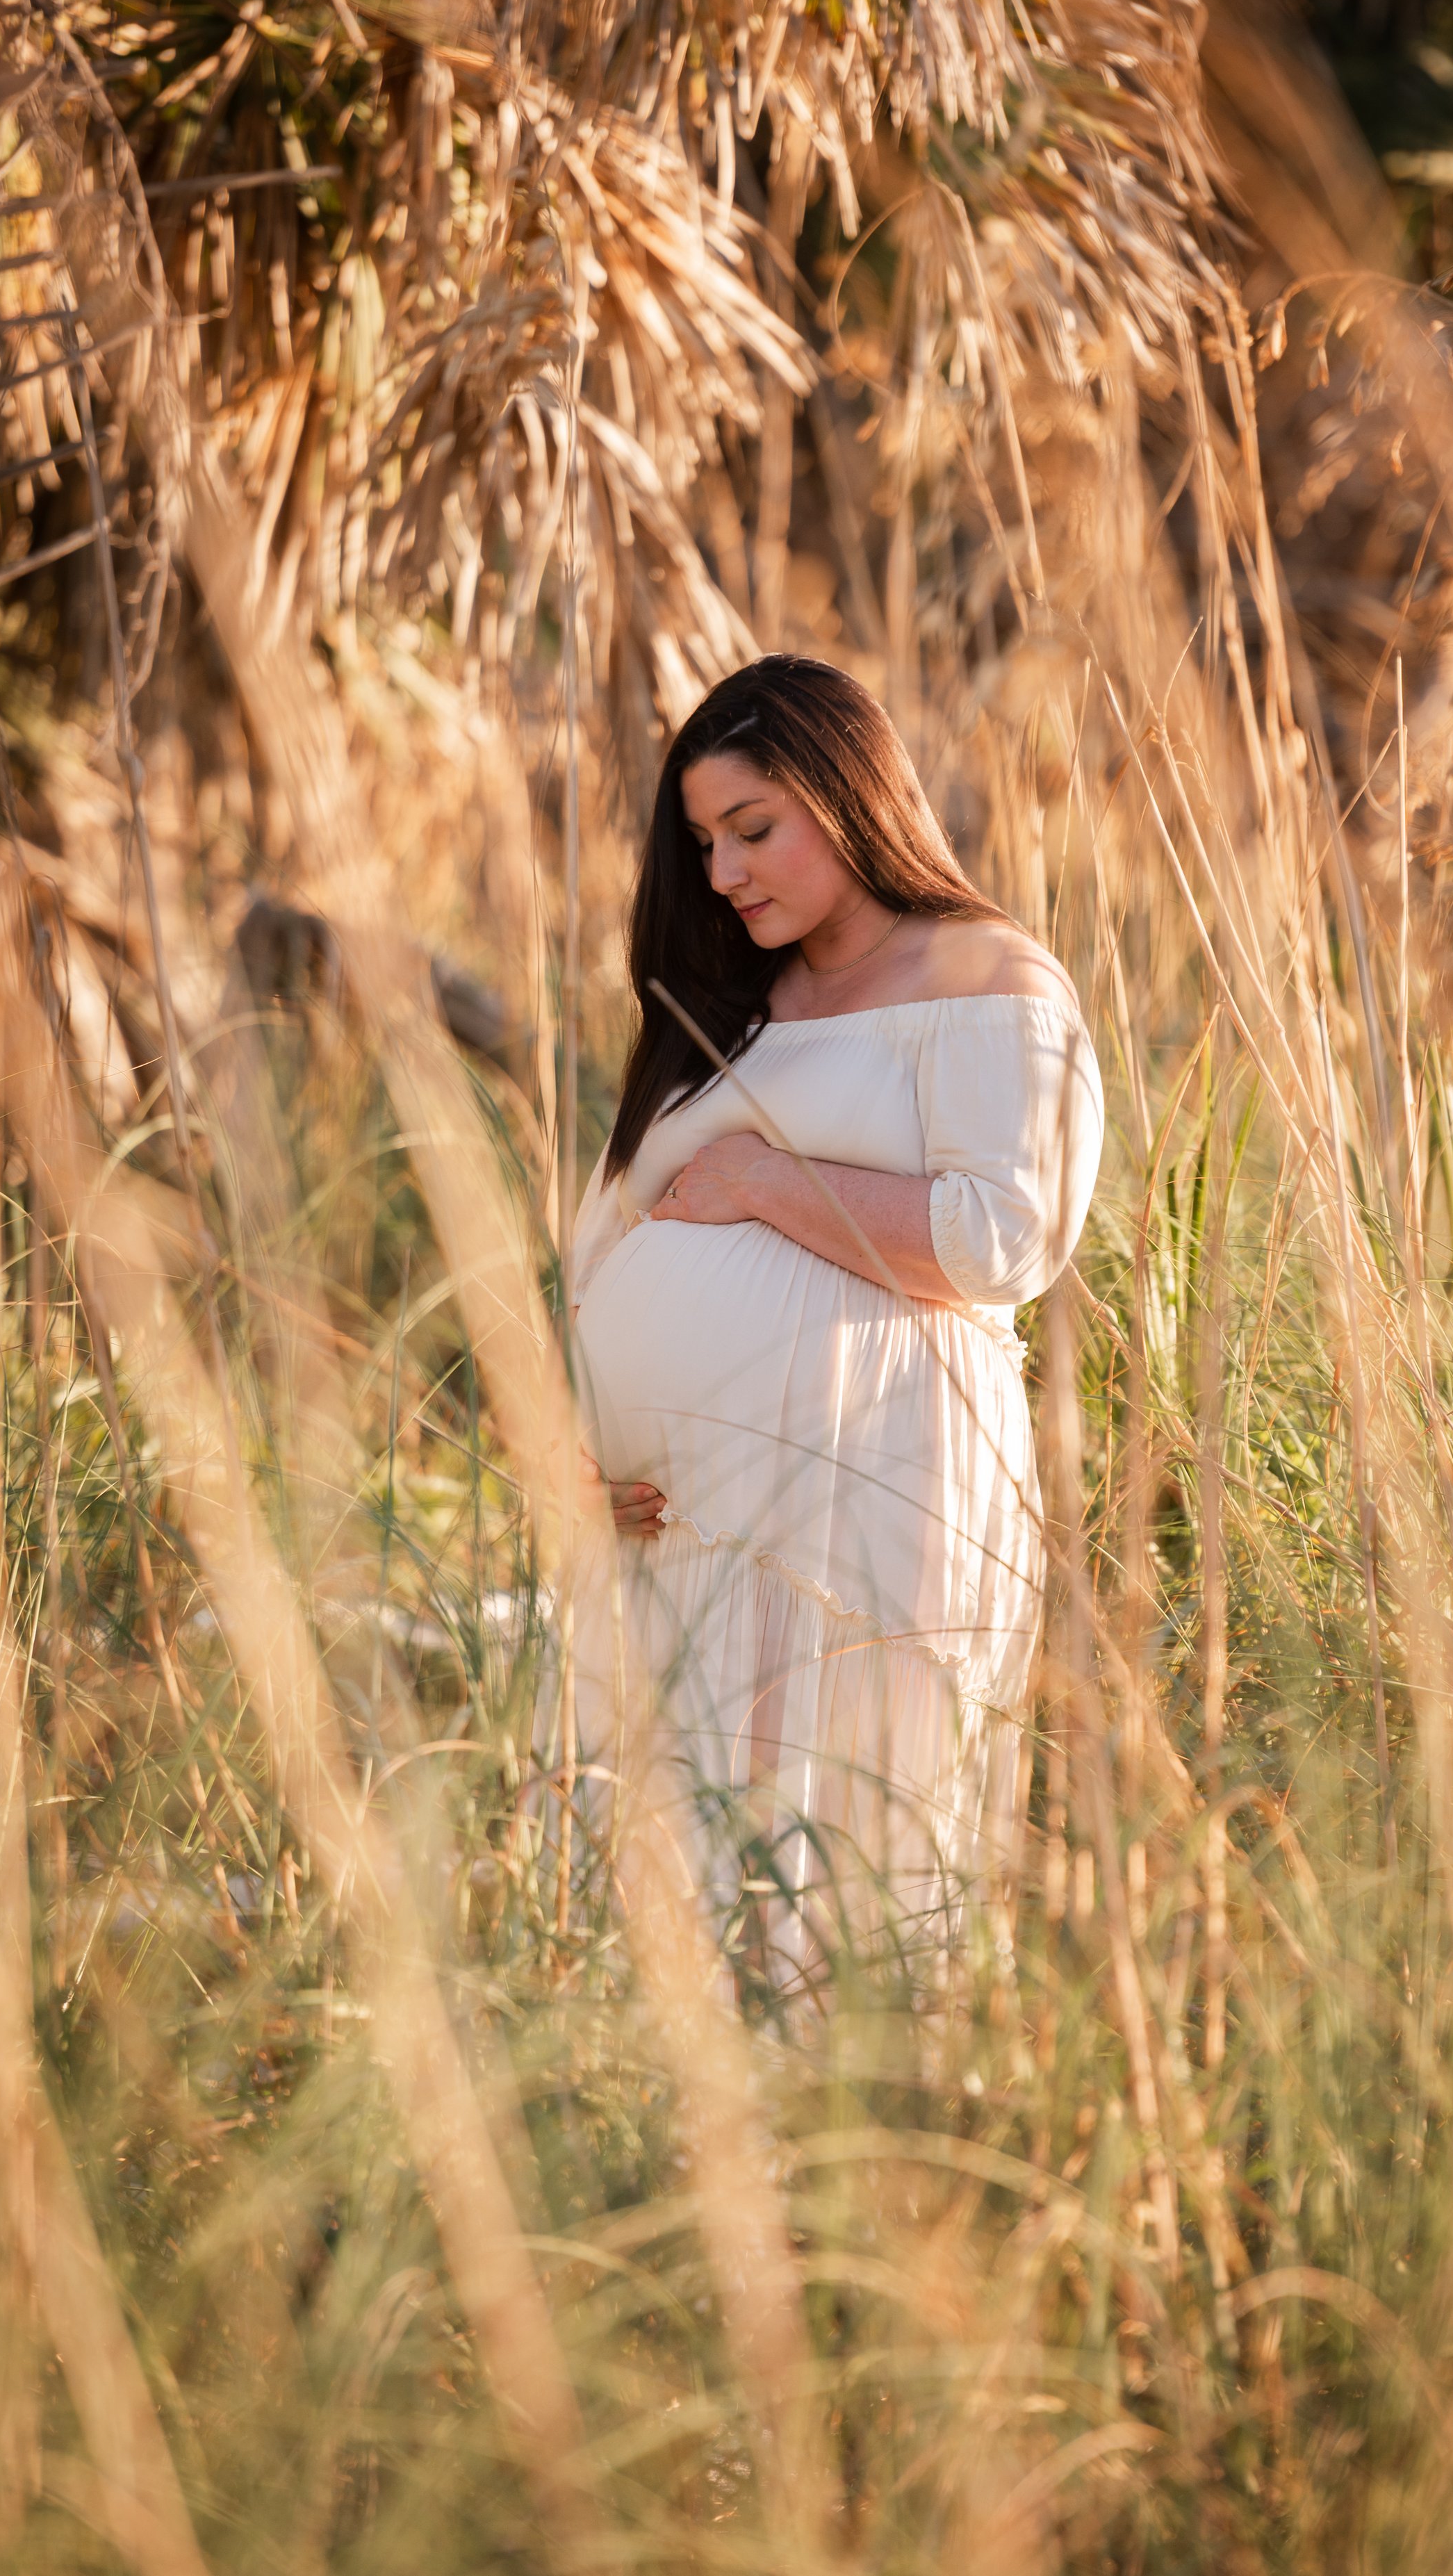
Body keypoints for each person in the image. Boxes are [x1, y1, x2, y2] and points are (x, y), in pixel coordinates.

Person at [570, 655, 1103, 1988]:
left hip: (873, 1482)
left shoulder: (986, 976)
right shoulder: (735, 1008)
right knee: (686, 1858)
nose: (725, 873)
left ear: (851, 793)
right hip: (678, 1522)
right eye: (703, 844)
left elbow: (1003, 1240)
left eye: (754, 830)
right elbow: (612, 1225)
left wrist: (762, 1180)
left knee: (825, 1855)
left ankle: (843, 2161)